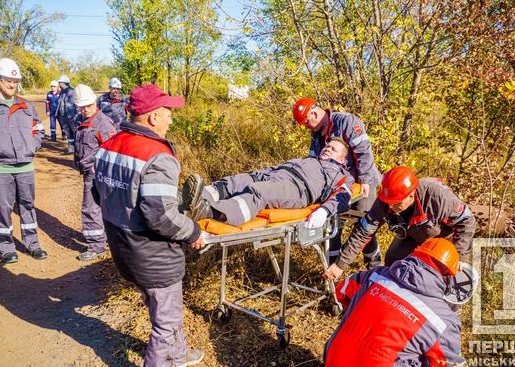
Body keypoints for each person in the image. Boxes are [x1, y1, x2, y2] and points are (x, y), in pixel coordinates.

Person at [92, 84, 205, 367]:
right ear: (153, 117)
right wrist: (193, 231)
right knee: (165, 323)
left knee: (165, 309)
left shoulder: (108, 145)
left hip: (122, 246)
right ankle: (163, 359)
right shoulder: (157, 155)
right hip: (152, 254)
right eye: (168, 113)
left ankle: (178, 355)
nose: (171, 119)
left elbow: (98, 194)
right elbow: (160, 217)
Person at [323, 238, 466, 366]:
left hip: (333, 360)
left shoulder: (374, 275)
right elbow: (448, 363)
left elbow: (342, 291)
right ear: (448, 276)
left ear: (416, 255)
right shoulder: (444, 322)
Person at [324, 166, 476, 281]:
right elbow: (363, 232)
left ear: (411, 195)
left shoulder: (437, 197)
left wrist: (458, 255)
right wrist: (340, 265)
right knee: (393, 261)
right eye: (388, 203)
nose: (390, 207)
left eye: (396, 203)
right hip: (410, 235)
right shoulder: (385, 201)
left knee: (443, 274)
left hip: (442, 239)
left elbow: (466, 221)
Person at [185, 137, 354, 228]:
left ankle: (205, 211)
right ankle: (184, 199)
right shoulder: (309, 160)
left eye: (333, 149)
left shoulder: (341, 175)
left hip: (296, 189)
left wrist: (324, 210)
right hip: (275, 175)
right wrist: (255, 174)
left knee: (259, 192)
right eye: (327, 146)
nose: (327, 148)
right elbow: (277, 168)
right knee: (235, 181)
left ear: (342, 158)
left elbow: (342, 196)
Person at [293, 98, 382, 265]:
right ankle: (333, 269)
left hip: (361, 182)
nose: (306, 127)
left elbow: (364, 152)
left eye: (306, 123)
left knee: (363, 225)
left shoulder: (346, 122)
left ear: (313, 113)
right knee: (331, 225)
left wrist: (365, 180)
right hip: (337, 185)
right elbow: (314, 161)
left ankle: (374, 266)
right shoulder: (316, 136)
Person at [0, 58, 47, 264]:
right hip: (1, 169)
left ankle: (32, 244)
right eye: (8, 79)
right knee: (2, 209)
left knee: (28, 206)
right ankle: (5, 247)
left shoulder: (26, 105)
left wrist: (31, 146)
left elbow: (39, 130)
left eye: (15, 81)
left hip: (26, 166)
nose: (11, 84)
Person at [73, 84, 117, 261]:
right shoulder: (84, 120)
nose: (85, 109)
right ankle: (102, 241)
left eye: (88, 105)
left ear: (95, 102)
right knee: (96, 207)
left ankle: (96, 246)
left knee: (90, 208)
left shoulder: (102, 123)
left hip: (97, 173)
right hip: (90, 171)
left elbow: (112, 151)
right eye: (82, 107)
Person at [56, 74, 78, 153]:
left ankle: (78, 148)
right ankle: (71, 148)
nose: (59, 84)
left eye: (60, 82)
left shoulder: (72, 91)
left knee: (75, 132)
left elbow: (77, 104)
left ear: (65, 83)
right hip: (63, 116)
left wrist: (77, 114)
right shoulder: (61, 91)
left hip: (72, 116)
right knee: (68, 132)